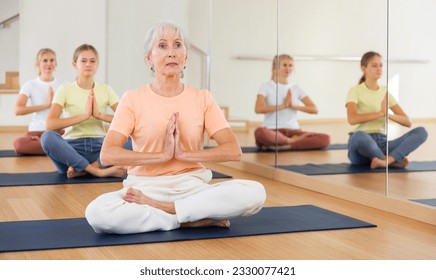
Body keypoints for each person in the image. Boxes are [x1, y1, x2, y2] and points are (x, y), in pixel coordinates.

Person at [85, 21, 266, 234]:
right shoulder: (132, 99)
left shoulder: (202, 98)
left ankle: (168, 211)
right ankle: (185, 218)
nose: (171, 52)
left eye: (178, 45)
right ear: (149, 58)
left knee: (256, 192)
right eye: (162, 46)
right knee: (97, 213)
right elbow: (107, 155)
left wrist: (183, 154)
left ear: (185, 57)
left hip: (193, 188)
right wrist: (161, 156)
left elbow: (233, 151)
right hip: (145, 189)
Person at [41, 44, 126, 179]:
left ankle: (86, 168)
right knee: (47, 137)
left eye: (92, 61)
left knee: (132, 137)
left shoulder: (106, 90)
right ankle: (98, 171)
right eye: (83, 61)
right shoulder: (65, 89)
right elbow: (50, 124)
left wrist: (99, 115)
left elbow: (127, 119)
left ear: (97, 65)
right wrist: (85, 116)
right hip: (71, 151)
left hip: (100, 149)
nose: (88, 64)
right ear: (74, 64)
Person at [346, 51, 428, 169]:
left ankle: (385, 161)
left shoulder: (385, 92)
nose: (379, 69)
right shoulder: (355, 91)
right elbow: (352, 119)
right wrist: (380, 113)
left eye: (381, 65)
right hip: (361, 148)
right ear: (363, 69)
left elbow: (407, 122)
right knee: (359, 136)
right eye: (374, 65)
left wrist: (388, 115)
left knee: (421, 132)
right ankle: (389, 161)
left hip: (382, 144)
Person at [254, 54, 330, 150]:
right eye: (284, 65)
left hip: (294, 132)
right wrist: (284, 105)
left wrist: (293, 106)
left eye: (290, 65)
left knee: (325, 138)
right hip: (272, 131)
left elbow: (314, 109)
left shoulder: (296, 88)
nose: (288, 68)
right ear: (275, 68)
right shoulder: (266, 86)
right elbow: (258, 109)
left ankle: (286, 146)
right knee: (260, 132)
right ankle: (289, 142)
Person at [14, 48, 64, 155]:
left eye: (52, 60)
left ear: (56, 63)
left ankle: (44, 144)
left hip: (57, 131)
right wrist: (47, 105)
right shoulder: (30, 84)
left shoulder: (63, 84)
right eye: (45, 60)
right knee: (19, 145)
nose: (49, 63)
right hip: (37, 130)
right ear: (38, 63)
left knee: (75, 142)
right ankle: (54, 148)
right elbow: (18, 110)